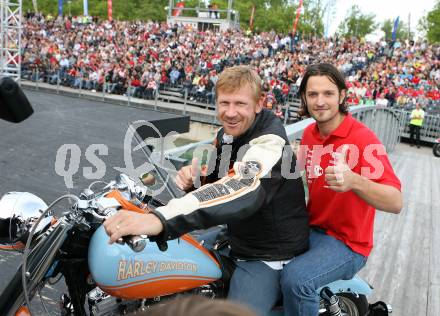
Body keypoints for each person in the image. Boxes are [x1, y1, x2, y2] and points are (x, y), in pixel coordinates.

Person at [104, 66, 309, 315]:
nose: (230, 113)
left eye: (240, 104)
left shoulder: (270, 143)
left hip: (267, 252)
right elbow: (218, 176)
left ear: (259, 104)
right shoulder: (227, 134)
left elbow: (242, 187)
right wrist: (197, 179)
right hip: (236, 235)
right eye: (224, 103)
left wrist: (158, 219)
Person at [280, 63, 403, 316]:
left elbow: (396, 202)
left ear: (343, 96)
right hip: (311, 228)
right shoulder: (309, 133)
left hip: (348, 244)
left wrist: (354, 181)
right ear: (304, 97)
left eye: (328, 93)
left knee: (297, 280)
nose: (320, 101)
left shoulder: (362, 139)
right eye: (313, 94)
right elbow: (298, 174)